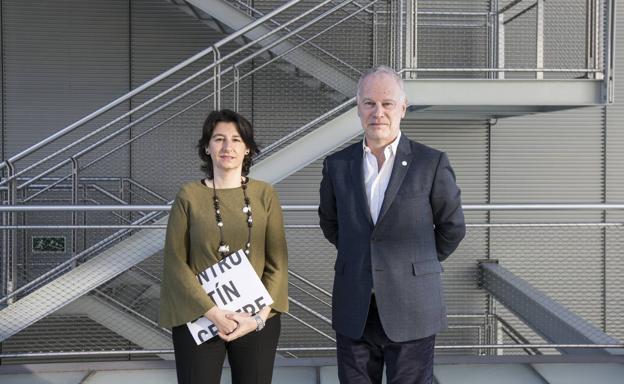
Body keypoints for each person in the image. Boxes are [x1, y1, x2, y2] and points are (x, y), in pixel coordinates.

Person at [318, 66, 465, 384]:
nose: (378, 112)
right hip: (355, 306)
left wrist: (415, 263)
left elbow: (452, 227)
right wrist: (366, 258)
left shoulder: (431, 163)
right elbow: (331, 224)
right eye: (369, 103)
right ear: (358, 108)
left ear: (403, 107)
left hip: (413, 305)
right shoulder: (337, 165)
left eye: (387, 103)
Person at [159, 109, 288, 384]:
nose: (227, 147)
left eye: (236, 140)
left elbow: (277, 262)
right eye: (219, 139)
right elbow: (175, 261)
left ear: (248, 149)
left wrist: (257, 319)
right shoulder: (189, 196)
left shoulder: (265, 194)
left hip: (256, 317)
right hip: (199, 316)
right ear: (207, 147)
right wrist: (214, 313)